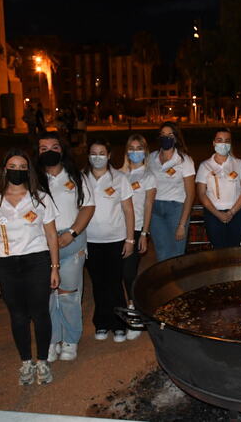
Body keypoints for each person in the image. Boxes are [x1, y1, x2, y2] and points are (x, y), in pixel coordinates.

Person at [0, 148, 60, 385]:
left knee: (40, 313)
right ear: (4, 170)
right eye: (13, 167)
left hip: (36, 261)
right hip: (6, 265)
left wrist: (54, 267)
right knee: (18, 316)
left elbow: (52, 236)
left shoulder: (40, 198)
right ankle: (26, 362)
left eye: (23, 168)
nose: (17, 172)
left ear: (29, 171)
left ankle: (42, 362)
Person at [36, 132, 95, 361]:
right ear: (37, 152)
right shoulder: (33, 180)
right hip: (41, 244)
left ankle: (71, 339)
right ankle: (52, 340)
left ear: (62, 150)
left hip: (71, 241)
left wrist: (72, 233)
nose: (49, 152)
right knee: (48, 296)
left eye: (54, 147)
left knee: (68, 294)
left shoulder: (77, 177)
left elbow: (88, 207)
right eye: (43, 148)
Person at [84, 138, 135, 343]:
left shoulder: (119, 178)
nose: (98, 157)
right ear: (88, 155)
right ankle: (102, 322)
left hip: (115, 238)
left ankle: (119, 324)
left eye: (102, 153)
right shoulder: (81, 178)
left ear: (109, 155)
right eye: (94, 153)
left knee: (114, 282)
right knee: (98, 284)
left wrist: (130, 239)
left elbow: (128, 209)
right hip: (90, 240)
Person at [119, 133, 156, 340]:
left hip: (135, 230)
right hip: (117, 230)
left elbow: (149, 204)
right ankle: (121, 314)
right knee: (119, 273)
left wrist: (144, 233)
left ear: (145, 151)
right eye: (131, 148)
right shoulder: (117, 174)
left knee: (129, 272)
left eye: (139, 148)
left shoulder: (148, 176)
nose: (135, 152)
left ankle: (135, 311)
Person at [147, 122, 195, 261]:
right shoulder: (151, 158)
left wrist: (182, 224)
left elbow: (190, 194)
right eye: (162, 135)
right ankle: (166, 282)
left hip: (176, 209)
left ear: (176, 138)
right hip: (155, 210)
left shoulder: (184, 160)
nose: (165, 138)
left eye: (169, 135)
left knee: (176, 254)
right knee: (161, 253)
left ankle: (176, 283)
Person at [196, 128, 241, 248]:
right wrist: (217, 214)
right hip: (213, 215)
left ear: (230, 144)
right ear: (214, 143)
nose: (223, 144)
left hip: (237, 214)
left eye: (227, 141)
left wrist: (231, 212)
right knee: (218, 251)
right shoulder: (204, 166)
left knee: (235, 250)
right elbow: (201, 193)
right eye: (219, 140)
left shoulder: (239, 164)